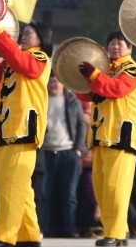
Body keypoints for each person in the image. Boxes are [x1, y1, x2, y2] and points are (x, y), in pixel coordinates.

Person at [0, 20, 53, 247]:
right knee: (15, 187)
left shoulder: (39, 58)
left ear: (41, 39)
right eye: (23, 33)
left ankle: (3, 236)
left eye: (29, 33)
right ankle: (28, 236)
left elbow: (25, 64)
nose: (23, 36)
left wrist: (1, 37)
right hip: (4, 130)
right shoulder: (14, 61)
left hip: (23, 130)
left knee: (10, 186)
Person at [76, 30, 136, 246]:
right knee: (102, 188)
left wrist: (94, 75)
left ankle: (114, 234)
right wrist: (77, 77)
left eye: (120, 44)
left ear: (130, 48)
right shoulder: (105, 70)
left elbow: (115, 89)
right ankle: (116, 233)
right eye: (112, 43)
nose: (115, 47)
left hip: (120, 138)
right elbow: (87, 94)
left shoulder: (131, 69)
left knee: (116, 189)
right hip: (101, 137)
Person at [41, 75, 86, 238]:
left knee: (70, 195)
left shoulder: (73, 100)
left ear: (63, 84)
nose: (54, 84)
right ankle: (43, 228)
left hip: (68, 151)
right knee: (44, 194)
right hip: (46, 151)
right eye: (51, 81)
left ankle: (70, 228)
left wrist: (79, 149)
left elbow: (82, 124)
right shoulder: (42, 99)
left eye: (57, 81)